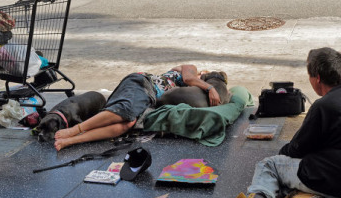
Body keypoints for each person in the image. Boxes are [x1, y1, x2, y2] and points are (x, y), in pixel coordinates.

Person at [209, 47, 341, 198]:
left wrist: (283, 156)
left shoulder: (323, 106)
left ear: (316, 78)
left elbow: (296, 149)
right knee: (298, 168)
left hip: (340, 188)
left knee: (270, 165)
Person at [54, 64, 221, 151]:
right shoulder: (191, 70)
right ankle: (75, 129)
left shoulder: (190, 89)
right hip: (142, 83)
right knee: (125, 110)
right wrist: (210, 88)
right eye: (203, 78)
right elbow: (189, 78)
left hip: (148, 99)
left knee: (128, 124)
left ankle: (72, 140)